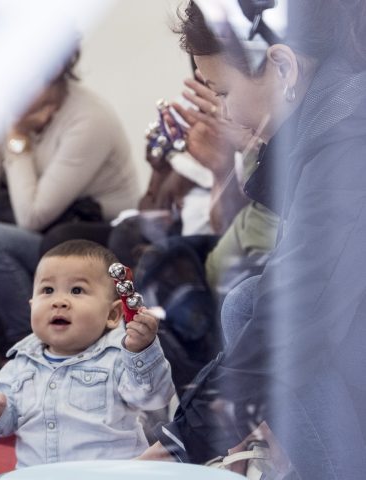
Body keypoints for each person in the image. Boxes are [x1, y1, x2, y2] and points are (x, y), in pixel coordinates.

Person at [138, 1, 366, 478]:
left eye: (222, 91)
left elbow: (300, 304)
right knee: (249, 298)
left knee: (260, 306)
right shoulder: (339, 110)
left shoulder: (349, 136)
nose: (223, 110)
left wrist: (184, 441)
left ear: (282, 65)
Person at [0, 46, 138, 355]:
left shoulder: (90, 118)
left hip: (91, 240)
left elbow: (33, 214)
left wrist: (17, 140)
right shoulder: (6, 109)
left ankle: (30, 348)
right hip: (45, 235)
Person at [0, 240, 175, 469]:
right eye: (47, 290)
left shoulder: (118, 358)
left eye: (77, 290)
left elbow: (153, 398)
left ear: (113, 313)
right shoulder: (18, 365)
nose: (59, 302)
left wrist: (142, 350)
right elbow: (3, 424)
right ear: (31, 306)